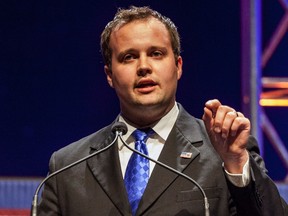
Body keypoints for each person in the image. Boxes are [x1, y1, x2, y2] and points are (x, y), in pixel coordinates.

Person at [38, 6, 287, 216]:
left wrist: (236, 164)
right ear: (109, 75)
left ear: (178, 66)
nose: (144, 66)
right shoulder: (66, 168)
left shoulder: (223, 150)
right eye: (128, 57)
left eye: (156, 54)